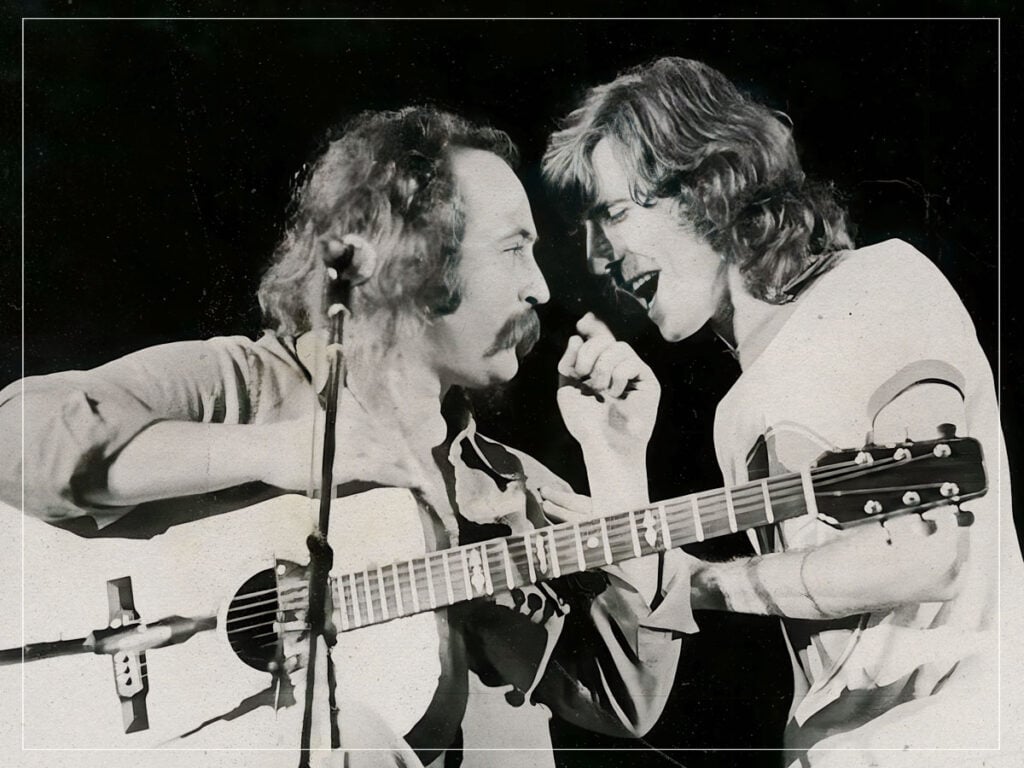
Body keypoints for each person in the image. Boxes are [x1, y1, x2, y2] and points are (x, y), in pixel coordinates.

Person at [0, 107, 692, 767]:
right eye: (514, 248)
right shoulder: (244, 386)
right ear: (409, 259)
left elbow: (623, 703)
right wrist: (279, 451)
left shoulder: (512, 487)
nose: (541, 288)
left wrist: (617, 466)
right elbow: (17, 435)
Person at [543, 57, 1024, 766]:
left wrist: (701, 581)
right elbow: (652, 620)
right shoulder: (736, 407)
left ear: (706, 182)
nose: (597, 257)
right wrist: (613, 455)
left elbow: (925, 550)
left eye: (613, 213)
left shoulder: (880, 284)